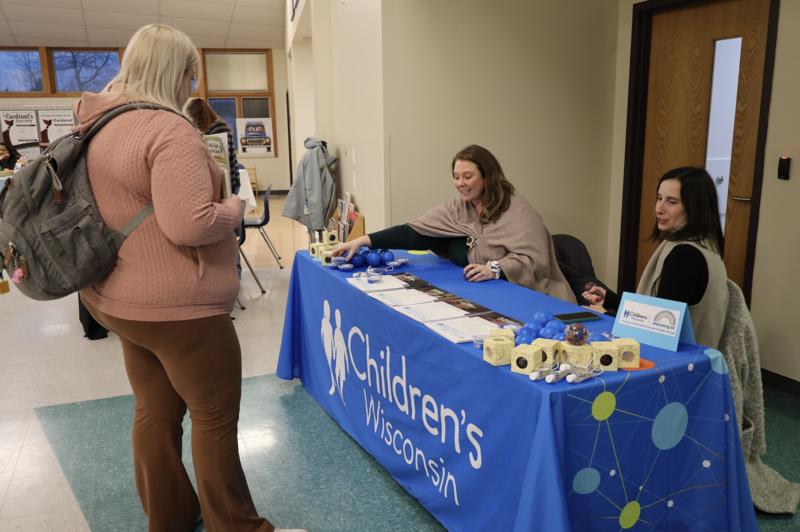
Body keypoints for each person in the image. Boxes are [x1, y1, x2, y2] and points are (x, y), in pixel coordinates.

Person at [74, 24, 303, 532]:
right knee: (214, 417)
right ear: (175, 72)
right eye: (190, 72)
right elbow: (190, 223)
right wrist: (234, 207)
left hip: (116, 297)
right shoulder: (168, 129)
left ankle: (171, 517)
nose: (192, 82)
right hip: (180, 306)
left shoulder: (97, 124)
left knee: (154, 411)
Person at [333, 144, 576, 303]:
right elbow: (415, 232)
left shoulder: (518, 210)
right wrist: (364, 240)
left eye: (467, 177)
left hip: (536, 299)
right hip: (484, 296)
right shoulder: (458, 208)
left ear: (487, 176)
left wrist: (495, 268)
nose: (460, 183)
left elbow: (536, 262)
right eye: (456, 177)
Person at [583, 167, 729, 349]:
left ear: (695, 207)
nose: (659, 209)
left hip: (675, 363)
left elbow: (659, 330)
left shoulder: (685, 255)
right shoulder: (706, 242)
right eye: (659, 198)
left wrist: (606, 316)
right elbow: (658, 311)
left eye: (672, 202)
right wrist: (610, 300)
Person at [185, 98, 244, 278]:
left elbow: (219, 159)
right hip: (225, 183)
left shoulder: (218, 128)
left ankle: (235, 270)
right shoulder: (214, 128)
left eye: (193, 118)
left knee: (229, 230)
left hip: (229, 184)